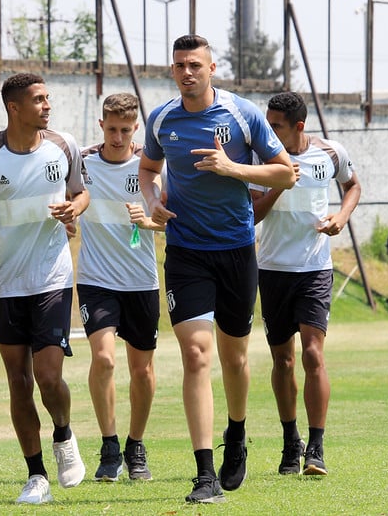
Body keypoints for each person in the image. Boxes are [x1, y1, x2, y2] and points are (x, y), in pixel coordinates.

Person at [139, 34, 296, 503]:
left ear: (211, 69)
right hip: (186, 252)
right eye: (179, 65)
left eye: (194, 65)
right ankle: (205, 474)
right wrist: (153, 202)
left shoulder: (242, 114)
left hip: (235, 251)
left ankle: (238, 432)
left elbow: (285, 172)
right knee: (195, 355)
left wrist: (233, 169)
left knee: (235, 358)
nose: (186, 72)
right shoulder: (162, 119)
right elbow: (148, 170)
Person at [0, 72, 88, 505]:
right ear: (14, 107)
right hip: (6, 285)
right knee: (18, 381)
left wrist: (72, 207)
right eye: (39, 99)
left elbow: (81, 194)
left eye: (48, 98)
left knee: (48, 377)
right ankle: (36, 477)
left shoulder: (63, 146)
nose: (47, 105)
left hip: (52, 279)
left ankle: (64, 437)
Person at [250, 91, 361, 477]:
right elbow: (252, 214)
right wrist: (280, 182)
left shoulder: (330, 153)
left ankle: (316, 447)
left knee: (313, 355)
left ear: (298, 126)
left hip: (315, 269)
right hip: (272, 271)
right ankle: (289, 440)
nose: (269, 130)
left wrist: (341, 217)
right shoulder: (260, 158)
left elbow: (353, 186)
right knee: (283, 360)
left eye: (275, 125)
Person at [76, 92, 163, 482]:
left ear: (135, 129)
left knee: (142, 371)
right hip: (96, 280)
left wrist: (148, 220)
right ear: (101, 126)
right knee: (105, 359)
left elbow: (168, 220)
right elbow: (64, 198)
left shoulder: (151, 167)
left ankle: (135, 444)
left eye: (125, 130)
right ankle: (109, 445)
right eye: (111, 129)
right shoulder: (82, 163)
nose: (117, 136)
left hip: (141, 282)